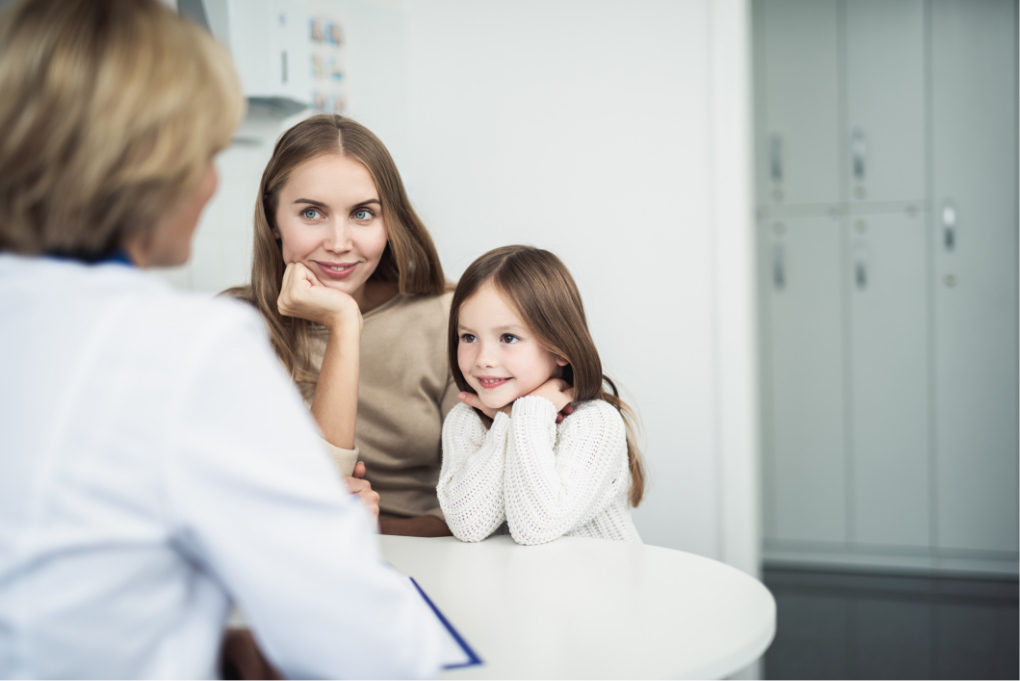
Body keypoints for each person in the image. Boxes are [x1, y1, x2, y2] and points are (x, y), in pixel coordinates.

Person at [0, 0, 443, 678]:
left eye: (361, 213)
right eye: (206, 154)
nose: (211, 183)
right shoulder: (195, 345)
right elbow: (362, 642)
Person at [227, 114, 457, 537]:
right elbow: (289, 498)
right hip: (295, 558)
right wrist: (344, 322)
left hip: (434, 556)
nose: (338, 241)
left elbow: (484, 506)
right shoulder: (236, 328)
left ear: (390, 222)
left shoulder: (447, 317)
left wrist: (367, 530)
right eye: (312, 213)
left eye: (363, 214)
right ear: (273, 220)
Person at [437, 245, 647, 545]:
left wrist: (531, 412)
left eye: (508, 338)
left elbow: (535, 526)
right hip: (520, 587)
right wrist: (507, 422)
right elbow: (468, 525)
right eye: (469, 337)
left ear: (559, 347)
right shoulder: (466, 420)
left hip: (600, 587)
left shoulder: (594, 423)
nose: (483, 358)